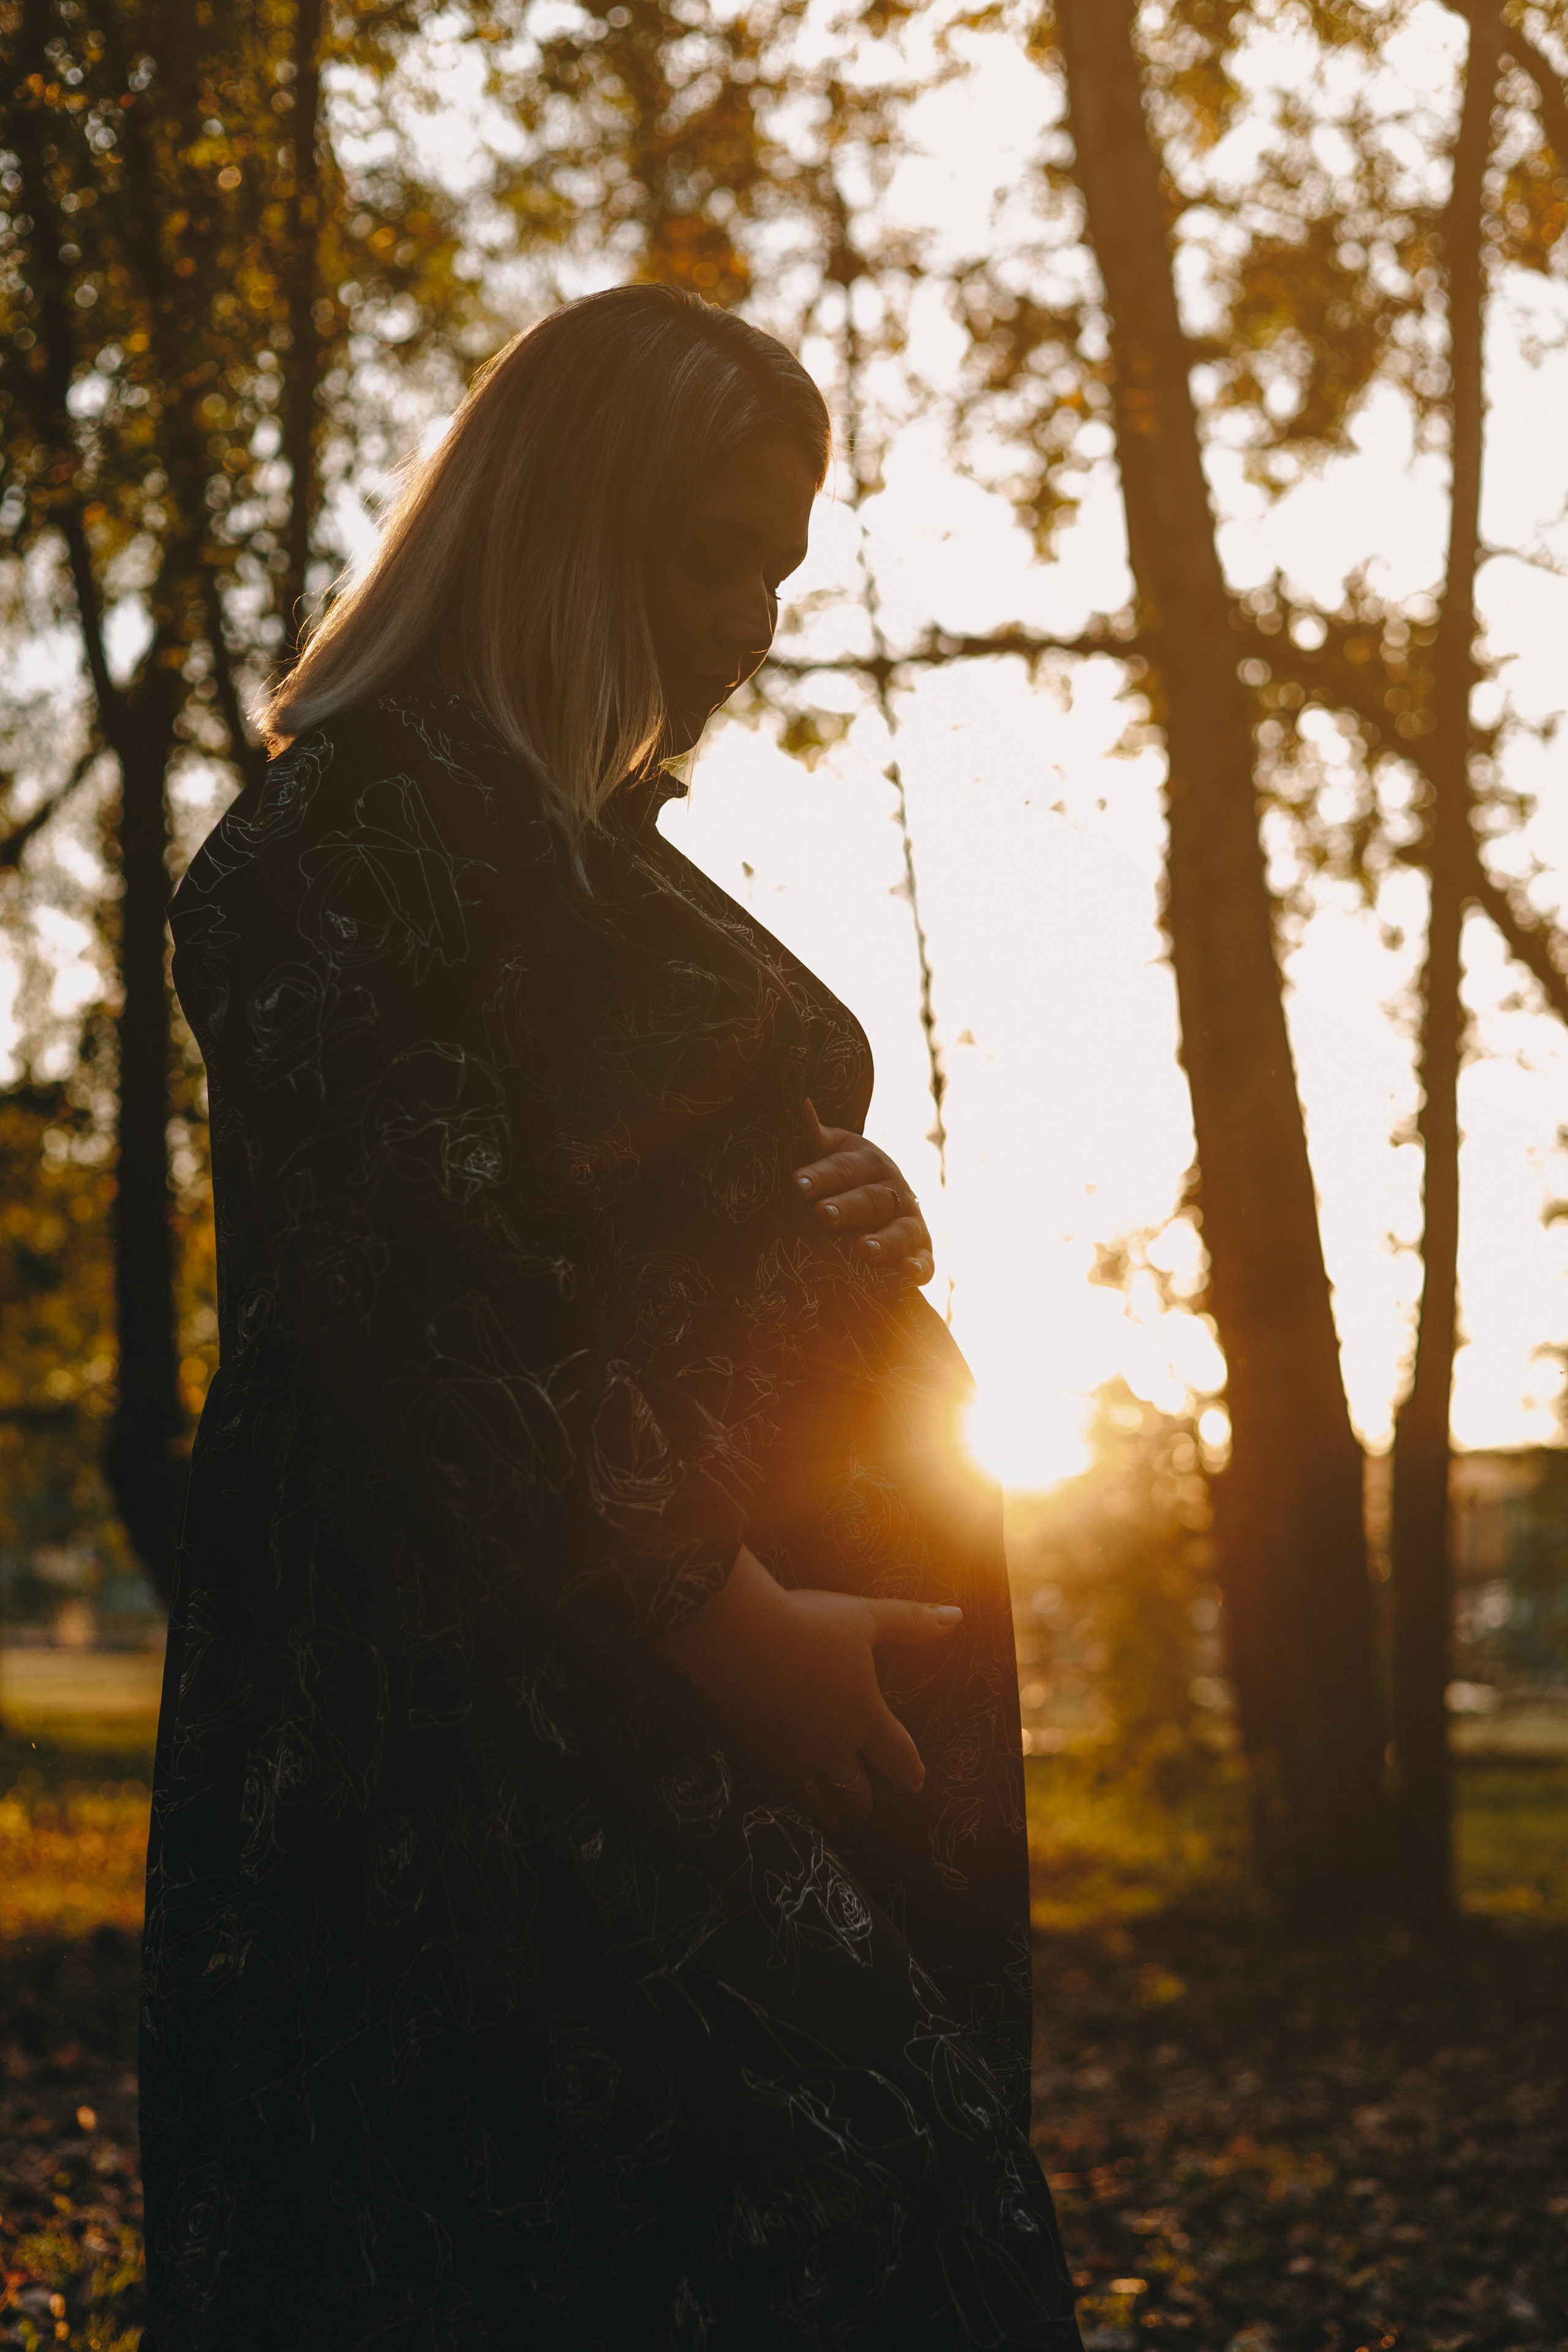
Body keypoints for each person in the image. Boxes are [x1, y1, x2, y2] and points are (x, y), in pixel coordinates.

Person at [140, 283, 1082, 2350]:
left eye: (779, 562)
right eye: (707, 548)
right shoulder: (354, 836)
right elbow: (401, 1298)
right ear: (564, 523)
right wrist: (719, 1619)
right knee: (827, 2229)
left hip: (700, 1696)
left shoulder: (589, 857)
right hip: (522, 1736)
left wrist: (849, 1211)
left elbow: (636, 1196)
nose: (752, 613)